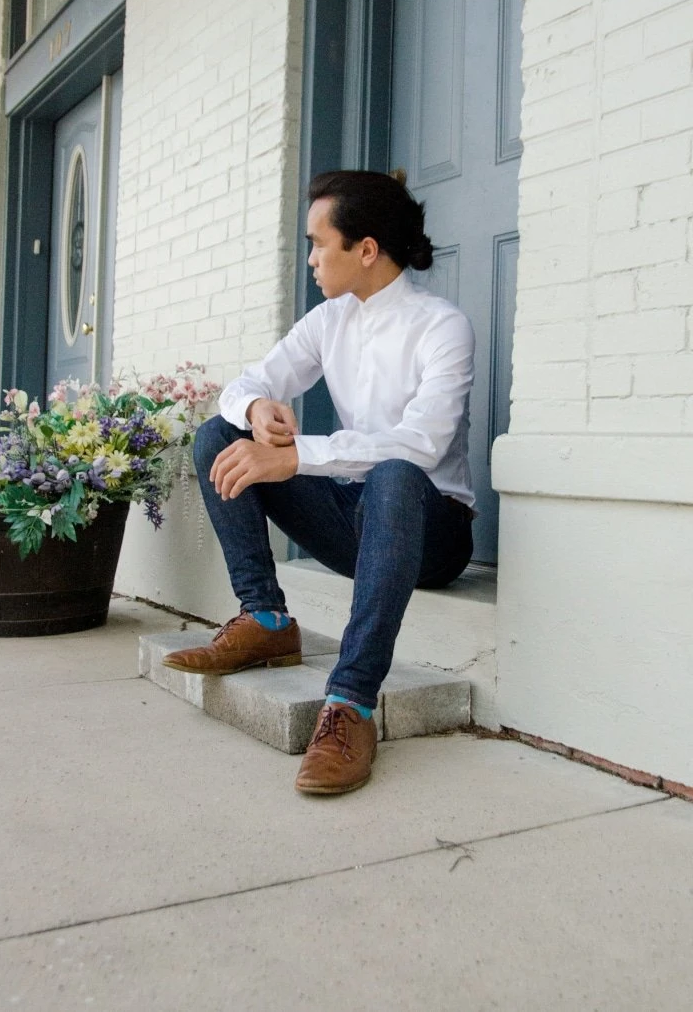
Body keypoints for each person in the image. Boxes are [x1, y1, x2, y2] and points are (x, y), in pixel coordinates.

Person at [163, 169, 475, 794]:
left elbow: (423, 443)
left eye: (317, 242)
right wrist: (256, 412)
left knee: (394, 474)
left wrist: (295, 455)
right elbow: (245, 385)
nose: (309, 258)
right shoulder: (327, 321)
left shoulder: (441, 325)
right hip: (357, 524)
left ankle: (351, 704)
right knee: (216, 436)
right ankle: (266, 620)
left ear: (365, 250)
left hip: (431, 530)